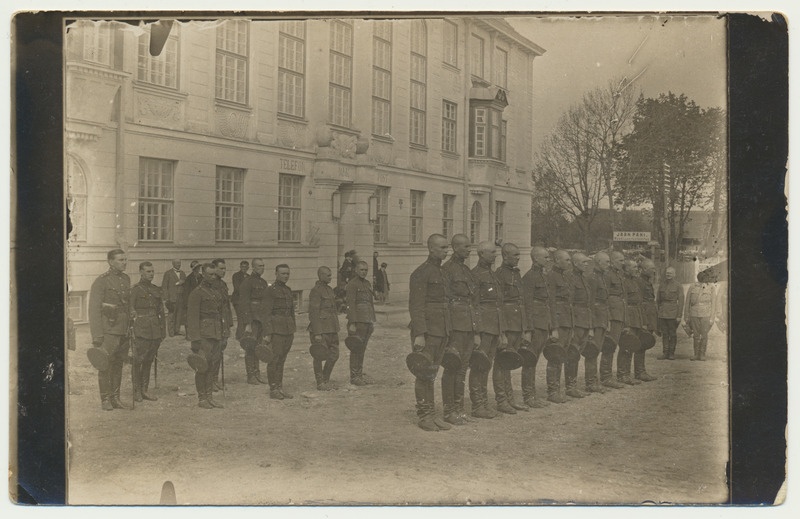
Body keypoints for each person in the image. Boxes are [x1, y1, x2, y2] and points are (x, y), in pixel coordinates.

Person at [408, 233, 452, 431]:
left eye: (447, 247)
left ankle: (432, 415)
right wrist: (419, 334)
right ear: (431, 249)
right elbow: (416, 306)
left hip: (442, 329)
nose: (446, 251)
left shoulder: (442, 272)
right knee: (423, 371)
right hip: (427, 331)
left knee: (432, 372)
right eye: (442, 248)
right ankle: (424, 415)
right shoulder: (421, 273)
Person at [441, 234, 479, 425]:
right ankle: (449, 411)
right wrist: (448, 329)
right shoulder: (446, 270)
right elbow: (445, 301)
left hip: (468, 324)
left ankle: (459, 409)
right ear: (455, 248)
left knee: (463, 368)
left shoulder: (466, 270)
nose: (469, 249)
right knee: (452, 367)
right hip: (455, 325)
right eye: (465, 246)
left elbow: (473, 300)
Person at [88, 249, 132, 411]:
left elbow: (126, 306)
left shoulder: (126, 279)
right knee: (105, 363)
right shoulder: (101, 281)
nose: (124, 262)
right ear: (110, 262)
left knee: (119, 364)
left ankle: (116, 398)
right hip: (109, 329)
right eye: (121, 260)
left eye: (125, 259)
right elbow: (94, 310)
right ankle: (105, 399)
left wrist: (129, 325)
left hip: (123, 329)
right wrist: (97, 335)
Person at [470, 241, 505, 419]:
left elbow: (498, 304)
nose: (495, 255)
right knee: (479, 365)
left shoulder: (492, 274)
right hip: (483, 327)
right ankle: (477, 405)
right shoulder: (475, 275)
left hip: (494, 326)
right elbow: (474, 305)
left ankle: (483, 402)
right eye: (491, 252)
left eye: (495, 252)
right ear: (481, 254)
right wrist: (476, 332)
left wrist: (501, 331)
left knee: (487, 365)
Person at [494, 242, 529, 413]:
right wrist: (501, 332)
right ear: (505, 256)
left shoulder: (516, 273)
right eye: (515, 255)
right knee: (501, 363)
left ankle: (510, 399)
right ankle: (501, 400)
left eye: (518, 255)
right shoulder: (499, 274)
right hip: (506, 325)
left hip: (517, 323)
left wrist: (524, 327)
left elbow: (521, 302)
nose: (518, 258)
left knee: (509, 361)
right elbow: (498, 304)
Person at [186, 263, 227, 409]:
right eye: (210, 274)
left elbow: (221, 313)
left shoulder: (216, 291)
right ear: (203, 274)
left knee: (212, 365)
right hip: (203, 335)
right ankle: (202, 398)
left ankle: (209, 396)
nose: (213, 277)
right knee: (202, 366)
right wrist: (195, 340)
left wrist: (223, 333)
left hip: (216, 333)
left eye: (214, 274)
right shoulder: (197, 293)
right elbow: (192, 318)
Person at [521, 246, 556, 408]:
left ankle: (532, 395)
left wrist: (551, 325)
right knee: (530, 360)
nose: (548, 260)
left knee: (535, 360)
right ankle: (528, 396)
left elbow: (549, 303)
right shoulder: (529, 277)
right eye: (546, 258)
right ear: (536, 259)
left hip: (544, 323)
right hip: (535, 325)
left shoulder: (544, 276)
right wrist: (527, 329)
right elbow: (526, 305)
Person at [129, 261, 166, 402]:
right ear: (141, 272)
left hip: (155, 330)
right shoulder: (135, 290)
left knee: (149, 360)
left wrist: (163, 330)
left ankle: (145, 390)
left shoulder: (156, 289)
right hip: (141, 329)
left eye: (152, 271)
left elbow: (161, 311)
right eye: (148, 271)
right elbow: (130, 309)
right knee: (138, 360)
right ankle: (136, 391)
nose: (151, 274)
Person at [264, 264, 296, 399]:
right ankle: (273, 389)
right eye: (283, 273)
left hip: (288, 329)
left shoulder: (288, 290)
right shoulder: (270, 290)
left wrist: (293, 327)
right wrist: (268, 333)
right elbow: (266, 313)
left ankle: (279, 387)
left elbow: (291, 312)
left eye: (287, 273)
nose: (286, 276)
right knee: (274, 359)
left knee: (282, 359)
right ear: (276, 274)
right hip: (276, 330)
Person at [545, 250, 573, 403]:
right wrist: (554, 328)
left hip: (567, 320)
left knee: (561, 355)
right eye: (567, 260)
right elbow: (551, 303)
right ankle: (552, 391)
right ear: (557, 260)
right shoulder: (551, 277)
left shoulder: (565, 276)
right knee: (555, 355)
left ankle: (557, 389)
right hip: (559, 321)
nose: (569, 263)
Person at [565, 252, 594, 398]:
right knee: (573, 353)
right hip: (576, 321)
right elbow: (569, 303)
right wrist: (572, 324)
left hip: (584, 320)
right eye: (584, 262)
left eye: (587, 262)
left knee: (577, 353)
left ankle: (573, 385)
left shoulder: (583, 278)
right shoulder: (571, 279)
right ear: (575, 263)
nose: (587, 264)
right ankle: (570, 387)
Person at [236, 259, 269, 385]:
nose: (262, 268)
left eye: (263, 266)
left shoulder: (263, 282)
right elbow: (244, 304)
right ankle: (251, 375)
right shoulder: (247, 282)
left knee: (259, 347)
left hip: (261, 318)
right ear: (253, 268)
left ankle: (257, 374)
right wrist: (248, 323)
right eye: (259, 266)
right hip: (252, 319)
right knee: (250, 347)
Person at [308, 266, 340, 391]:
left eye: (331, 275)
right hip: (321, 329)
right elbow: (313, 312)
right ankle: (320, 382)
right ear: (320, 275)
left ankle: (326, 379)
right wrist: (317, 332)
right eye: (328, 275)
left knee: (334, 355)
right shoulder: (316, 291)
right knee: (319, 355)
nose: (330, 277)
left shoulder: (330, 290)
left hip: (332, 327)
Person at [346, 260, 376, 386]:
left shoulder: (367, 283)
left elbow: (370, 302)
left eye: (365, 270)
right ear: (356, 270)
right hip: (358, 321)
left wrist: (372, 320)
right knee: (356, 348)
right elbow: (350, 304)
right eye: (361, 270)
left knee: (362, 349)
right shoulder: (352, 284)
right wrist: (352, 323)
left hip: (367, 320)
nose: (364, 272)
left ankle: (359, 374)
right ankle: (354, 376)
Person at [600, 251, 626, 389]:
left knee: (616, 345)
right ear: (613, 260)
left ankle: (614, 375)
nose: (623, 263)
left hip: (620, 314)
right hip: (613, 315)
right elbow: (605, 298)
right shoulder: (608, 275)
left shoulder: (618, 274)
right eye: (620, 261)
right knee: (609, 346)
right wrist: (608, 317)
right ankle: (605, 377)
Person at [586, 252, 610, 394]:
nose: (608, 264)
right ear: (598, 262)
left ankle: (594, 380)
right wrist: (590, 325)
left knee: (598, 349)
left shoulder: (602, 277)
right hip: (595, 320)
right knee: (592, 350)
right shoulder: (593, 279)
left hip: (602, 318)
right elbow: (590, 303)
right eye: (606, 262)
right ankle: (591, 382)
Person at [617, 259, 644, 385]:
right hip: (629, 315)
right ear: (626, 269)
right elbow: (624, 302)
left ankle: (628, 374)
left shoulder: (635, 281)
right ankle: (623, 374)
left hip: (636, 314)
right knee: (626, 345)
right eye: (633, 267)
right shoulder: (623, 282)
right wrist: (626, 321)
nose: (636, 269)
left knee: (633, 344)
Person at [209, 259, 233, 391]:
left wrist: (229, 323)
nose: (224, 271)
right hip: (215, 323)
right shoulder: (211, 285)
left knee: (219, 352)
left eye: (225, 269)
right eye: (221, 269)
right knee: (213, 352)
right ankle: (210, 380)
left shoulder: (223, 284)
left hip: (223, 323)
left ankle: (214, 379)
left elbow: (226, 306)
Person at [634, 259, 658, 381]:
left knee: (643, 343)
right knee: (641, 344)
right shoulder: (640, 282)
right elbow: (640, 302)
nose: (654, 270)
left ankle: (641, 371)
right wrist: (643, 321)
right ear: (644, 270)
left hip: (649, 317)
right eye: (652, 268)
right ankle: (639, 372)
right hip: (644, 317)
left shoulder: (647, 281)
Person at [684, 272, 717, 361]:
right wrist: (686, 316)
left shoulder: (711, 288)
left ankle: (702, 354)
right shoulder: (692, 287)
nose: (703, 280)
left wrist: (712, 317)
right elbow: (687, 302)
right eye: (702, 278)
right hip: (694, 314)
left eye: (705, 278)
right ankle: (696, 354)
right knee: (696, 335)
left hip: (706, 314)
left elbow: (714, 303)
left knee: (704, 334)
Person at [656, 266, 685, 360]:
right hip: (663, 313)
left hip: (673, 313)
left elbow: (681, 302)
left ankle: (671, 353)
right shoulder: (662, 285)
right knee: (664, 333)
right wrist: (658, 312)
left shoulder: (678, 286)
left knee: (672, 333)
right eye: (667, 273)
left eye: (670, 273)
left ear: (674, 274)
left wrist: (679, 315)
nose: (668, 274)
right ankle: (665, 352)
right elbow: (658, 300)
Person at [160, 259, 185, 336]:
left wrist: (183, 282)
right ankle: (171, 332)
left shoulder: (182, 273)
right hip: (172, 298)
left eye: (180, 263)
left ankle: (177, 330)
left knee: (179, 314)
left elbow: (185, 283)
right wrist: (167, 298)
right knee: (171, 315)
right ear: (173, 264)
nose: (179, 265)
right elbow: (164, 286)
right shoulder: (168, 273)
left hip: (181, 297)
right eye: (177, 263)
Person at [176, 260, 201, 335]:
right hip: (191, 301)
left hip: (200, 301)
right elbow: (186, 292)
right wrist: (187, 303)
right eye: (196, 268)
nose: (198, 269)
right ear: (193, 269)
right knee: (189, 318)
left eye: (198, 268)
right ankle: (189, 334)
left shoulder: (201, 277)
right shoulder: (189, 278)